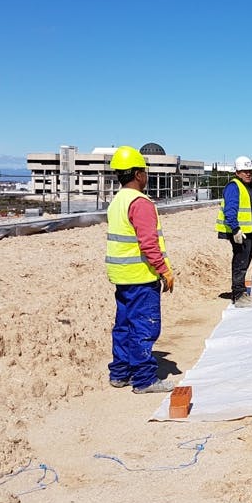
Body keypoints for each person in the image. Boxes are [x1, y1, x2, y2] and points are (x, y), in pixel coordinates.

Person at [105, 146, 175, 393]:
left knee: (123, 326)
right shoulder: (140, 202)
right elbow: (148, 243)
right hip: (141, 277)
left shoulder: (118, 200)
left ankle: (120, 373)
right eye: (144, 172)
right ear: (137, 174)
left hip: (122, 276)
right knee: (144, 325)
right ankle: (144, 380)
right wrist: (164, 270)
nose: (146, 176)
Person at [216, 155, 252, 308]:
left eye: (250, 171)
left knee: (245, 262)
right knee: (240, 263)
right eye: (244, 171)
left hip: (250, 232)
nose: (248, 173)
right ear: (237, 172)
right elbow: (230, 210)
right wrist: (235, 229)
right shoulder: (234, 186)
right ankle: (238, 295)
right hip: (240, 232)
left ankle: (240, 291)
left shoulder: (248, 187)